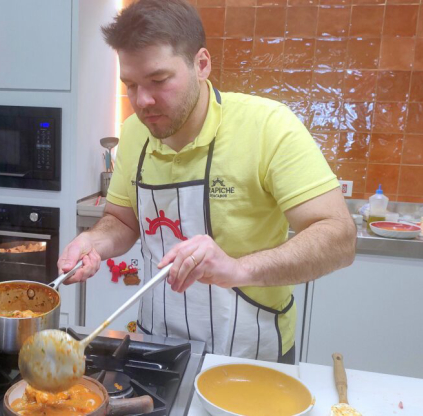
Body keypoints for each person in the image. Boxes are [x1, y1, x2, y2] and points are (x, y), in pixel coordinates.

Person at [59, 0, 356, 364]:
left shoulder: (267, 126)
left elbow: (339, 237)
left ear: (201, 64)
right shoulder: (134, 132)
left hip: (252, 353)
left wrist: (238, 269)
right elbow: (122, 221)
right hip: (157, 348)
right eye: (131, 85)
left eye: (158, 80)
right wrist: (93, 241)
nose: (143, 100)